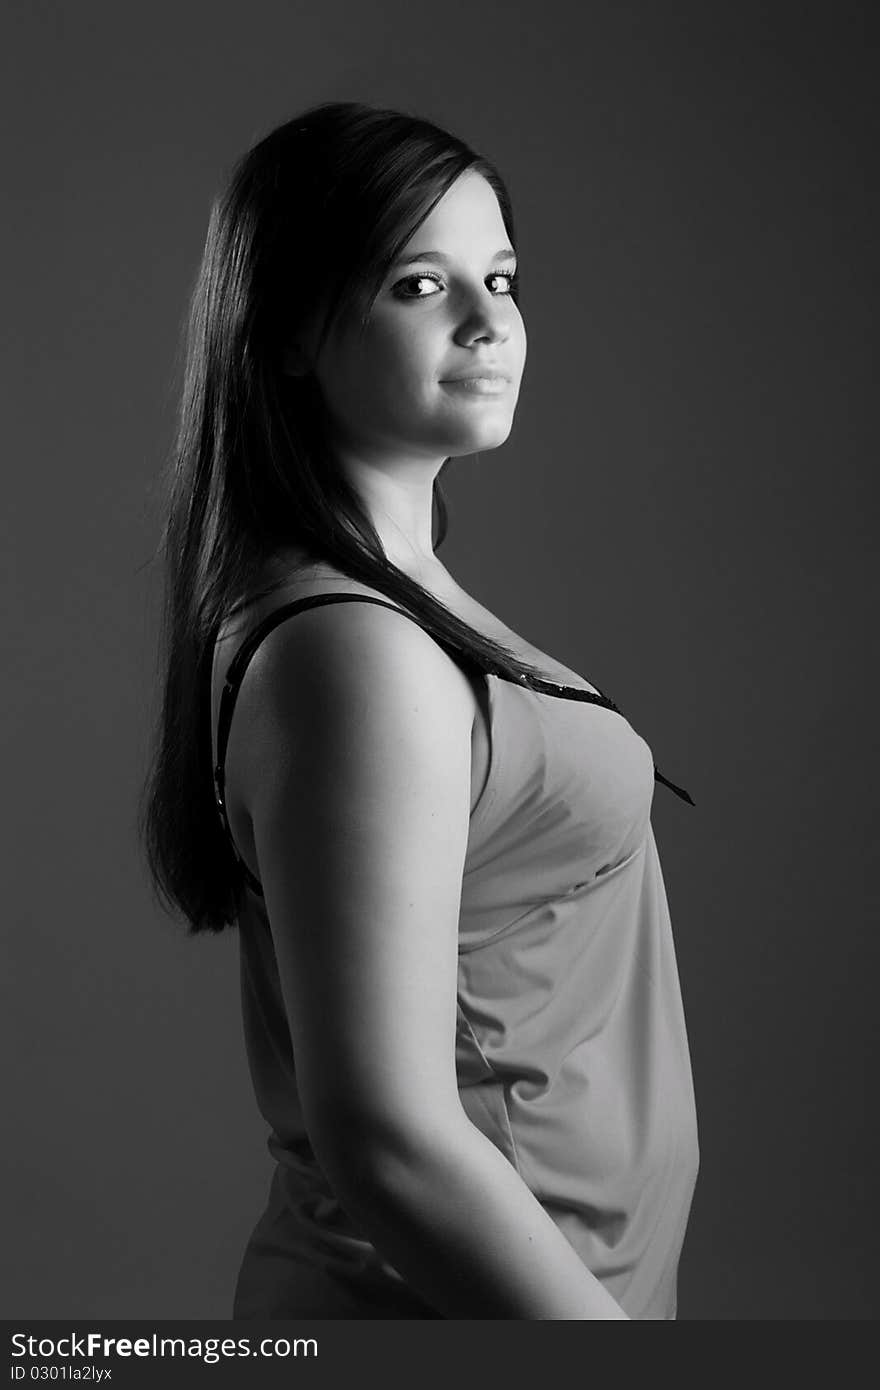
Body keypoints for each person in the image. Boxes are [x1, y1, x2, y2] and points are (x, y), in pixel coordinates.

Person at [139, 100, 699, 1320]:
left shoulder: (391, 604)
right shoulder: (357, 653)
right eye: (419, 283)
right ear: (288, 329)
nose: (491, 320)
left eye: (500, 276)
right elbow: (386, 1132)